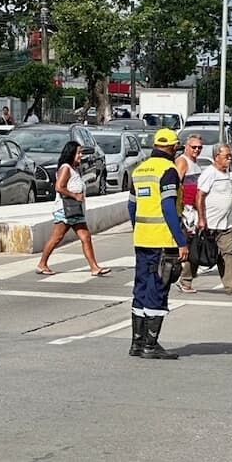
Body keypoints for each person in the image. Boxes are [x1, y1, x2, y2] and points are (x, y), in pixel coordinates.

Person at [127, 128, 189, 360]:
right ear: (174, 148)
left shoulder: (140, 169)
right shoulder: (168, 171)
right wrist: (181, 241)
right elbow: (169, 208)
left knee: (141, 289)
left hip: (142, 238)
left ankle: (137, 343)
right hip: (162, 241)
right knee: (158, 290)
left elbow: (132, 207)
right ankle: (150, 346)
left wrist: (139, 228)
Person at [36, 141, 110, 278]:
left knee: (85, 237)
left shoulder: (74, 169)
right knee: (57, 238)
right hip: (65, 209)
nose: (81, 156)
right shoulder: (66, 168)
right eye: (78, 153)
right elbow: (59, 187)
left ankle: (94, 267)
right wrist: (75, 195)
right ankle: (42, 264)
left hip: (75, 210)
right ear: (71, 154)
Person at [190, 144, 232, 296]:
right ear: (217, 157)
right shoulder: (210, 173)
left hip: (224, 224)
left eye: (231, 156)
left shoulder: (226, 173)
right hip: (208, 223)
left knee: (228, 254)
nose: (230, 160)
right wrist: (202, 219)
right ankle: (185, 280)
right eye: (226, 157)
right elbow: (200, 196)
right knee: (199, 253)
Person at [175, 134, 204, 293]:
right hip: (186, 211)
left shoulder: (195, 163)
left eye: (199, 147)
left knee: (193, 243)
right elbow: (177, 185)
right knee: (188, 244)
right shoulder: (182, 162)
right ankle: (182, 277)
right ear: (187, 147)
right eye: (194, 147)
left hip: (194, 209)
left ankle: (186, 277)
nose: (197, 150)